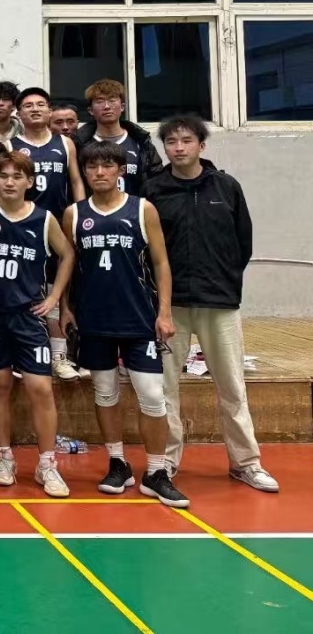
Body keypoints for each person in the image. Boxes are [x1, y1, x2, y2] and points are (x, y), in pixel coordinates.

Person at [147, 116, 277, 492]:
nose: (179, 147)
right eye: (171, 142)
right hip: (170, 307)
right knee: (164, 388)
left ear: (202, 145)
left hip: (220, 303)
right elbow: (148, 248)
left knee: (232, 387)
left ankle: (246, 463)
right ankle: (166, 462)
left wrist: (226, 279)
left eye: (187, 140)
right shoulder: (153, 190)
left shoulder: (226, 186)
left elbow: (242, 242)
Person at [61, 141, 188, 508]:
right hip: (94, 320)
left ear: (120, 170)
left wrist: (165, 312)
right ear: (84, 172)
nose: (99, 172)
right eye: (92, 167)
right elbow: (67, 265)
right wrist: (65, 308)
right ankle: (117, 463)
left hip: (138, 318)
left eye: (107, 166)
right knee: (104, 393)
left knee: (152, 396)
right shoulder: (74, 214)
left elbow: (161, 263)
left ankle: (157, 472)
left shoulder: (142, 209)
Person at [0, 151, 74, 498]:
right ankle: (4, 458)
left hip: (28, 316)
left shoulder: (44, 218)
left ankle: (47, 463)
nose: (10, 182)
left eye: (17, 176)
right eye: (3, 176)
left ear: (30, 181)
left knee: (40, 387)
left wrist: (54, 296)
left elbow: (67, 254)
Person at [12, 87, 86, 382]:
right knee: (24, 288)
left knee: (59, 287)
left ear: (49, 110)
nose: (35, 109)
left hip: (58, 225)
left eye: (41, 104)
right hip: (24, 226)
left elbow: (76, 181)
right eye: (28, 105)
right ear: (19, 113)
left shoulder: (65, 143)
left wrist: (81, 214)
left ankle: (59, 355)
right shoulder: (10, 144)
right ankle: (22, 351)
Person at [73, 79, 163, 196]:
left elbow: (157, 182)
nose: (106, 106)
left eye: (112, 100)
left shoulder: (141, 142)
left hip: (136, 207)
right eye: (100, 101)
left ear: (122, 107)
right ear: (90, 110)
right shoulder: (80, 144)